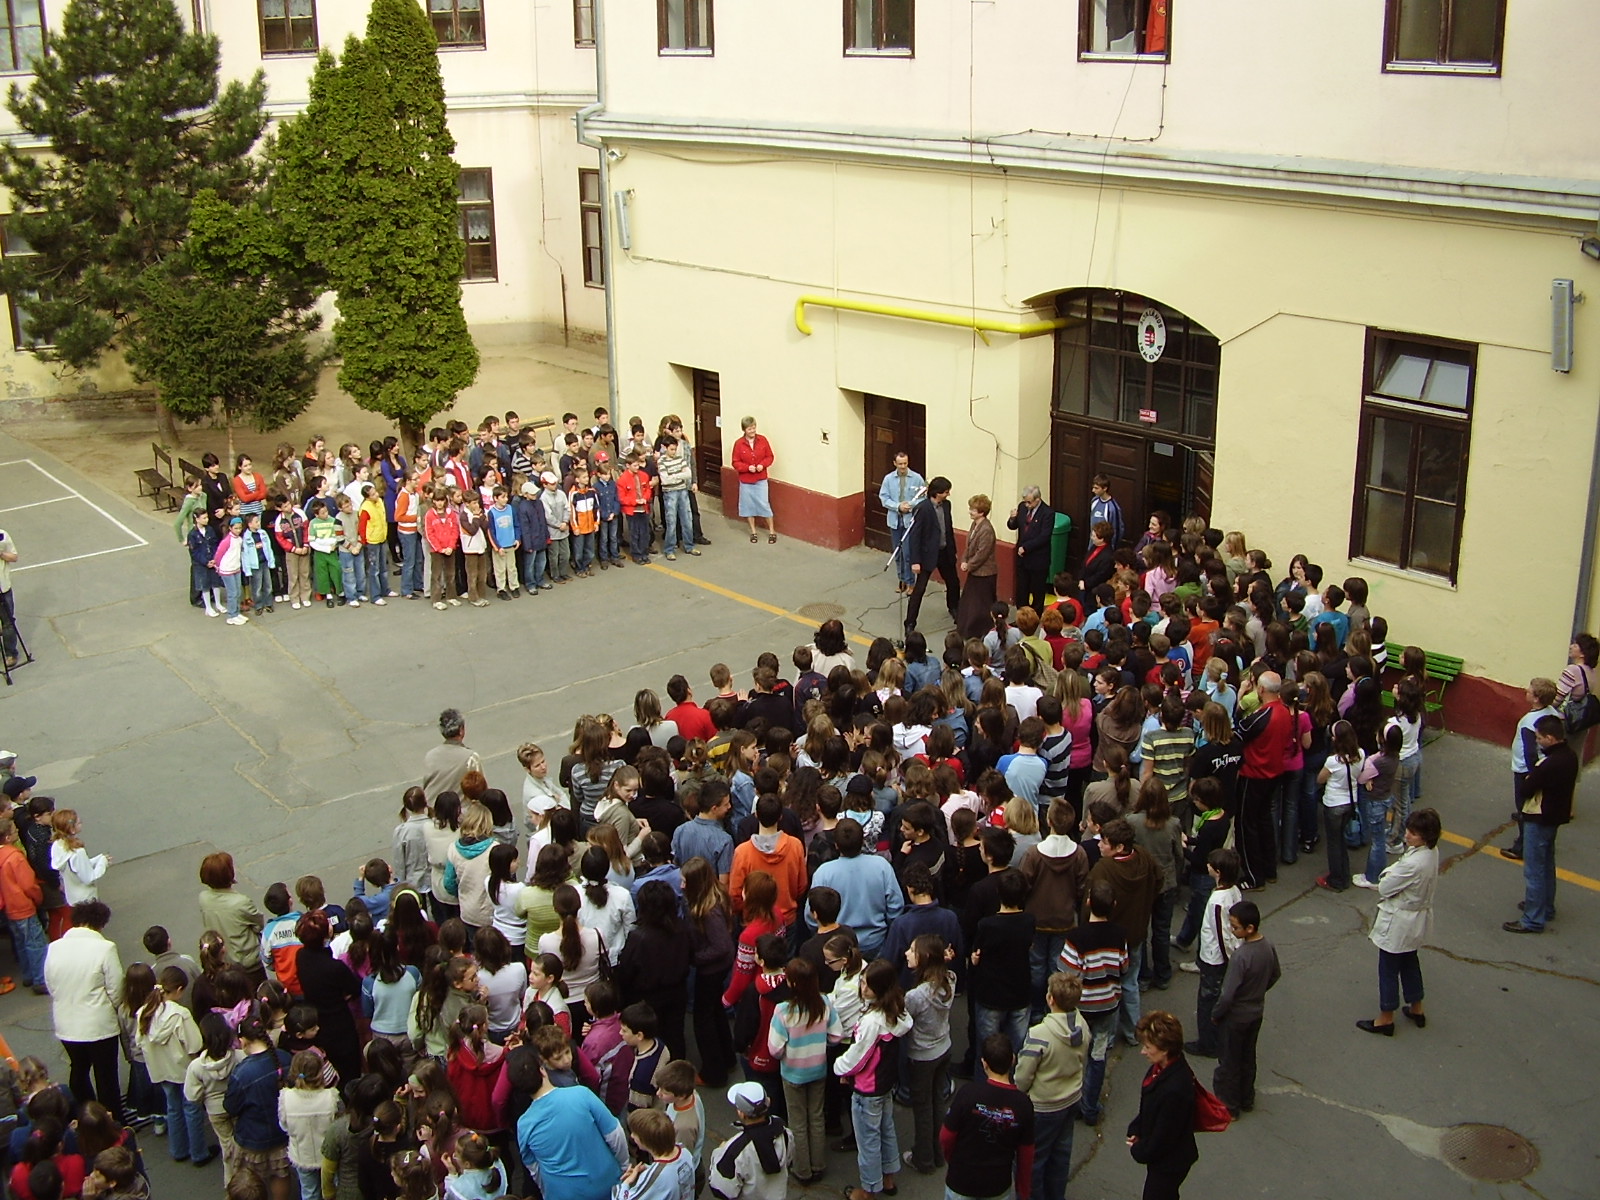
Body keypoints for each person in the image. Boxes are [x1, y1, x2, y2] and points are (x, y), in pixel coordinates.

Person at [1357, 808, 1441, 1034]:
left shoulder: (1412, 864)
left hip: (1400, 920)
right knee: (1410, 961)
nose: (1407, 835)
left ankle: (1386, 1018)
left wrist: (1386, 876)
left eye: (1413, 833)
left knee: (1388, 968)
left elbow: (1385, 887)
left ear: (1425, 836)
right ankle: (1416, 1006)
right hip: (1417, 918)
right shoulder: (1431, 853)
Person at [516, 1045, 630, 1200]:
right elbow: (615, 1134)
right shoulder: (581, 1094)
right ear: (542, 1070)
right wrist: (623, 1167)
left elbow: (535, 1170)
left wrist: (548, 1193)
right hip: (607, 1185)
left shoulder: (523, 1125)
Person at [1504, 715, 1576, 935]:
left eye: (1539, 738)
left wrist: (1529, 779)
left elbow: (1526, 789)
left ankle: (1532, 919)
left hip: (1539, 817)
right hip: (1554, 817)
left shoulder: (1548, 764)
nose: (1537, 741)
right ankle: (1546, 906)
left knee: (1534, 869)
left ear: (1550, 738)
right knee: (1546, 864)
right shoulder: (1570, 756)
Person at [1014, 974, 1085, 1200]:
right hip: (1071, 1097)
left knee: (1034, 1161)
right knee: (1060, 1155)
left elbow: (1023, 1076)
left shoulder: (1039, 1034)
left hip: (1044, 1106)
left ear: (1050, 999)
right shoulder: (1081, 1025)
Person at [940, 1033, 1035, 1200]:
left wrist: (953, 1161)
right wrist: (1024, 1191)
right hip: (997, 1185)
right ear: (1013, 1060)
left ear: (984, 1063)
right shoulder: (1023, 1104)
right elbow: (1026, 1155)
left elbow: (946, 1137)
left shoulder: (967, 1094)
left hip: (961, 1181)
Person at [1209, 900, 1280, 1119]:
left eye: (1235, 927)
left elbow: (1227, 995)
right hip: (1256, 1012)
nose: (1232, 930)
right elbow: (1275, 974)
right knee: (1248, 1057)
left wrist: (1216, 1014)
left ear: (1249, 928)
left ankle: (1229, 1106)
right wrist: (1258, 991)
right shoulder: (1268, 947)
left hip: (1236, 1017)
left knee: (1229, 1061)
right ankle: (1246, 1098)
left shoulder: (1241, 957)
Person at [1124, 1011, 1198, 1200]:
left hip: (1170, 1162)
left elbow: (1163, 1137)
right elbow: (1151, 1110)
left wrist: (1138, 1149)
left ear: (1164, 1050)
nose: (1143, 1051)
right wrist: (1137, 1128)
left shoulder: (1175, 1089)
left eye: (1148, 1047)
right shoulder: (1163, 1068)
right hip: (1168, 1157)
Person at [1503, 678, 1560, 860]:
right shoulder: (1552, 713)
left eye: (1529, 690)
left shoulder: (1529, 722)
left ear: (1536, 698)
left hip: (1525, 770)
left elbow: (1530, 753)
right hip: (1543, 765)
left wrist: (1531, 776)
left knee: (1524, 807)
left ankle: (1521, 846)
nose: (1526, 691)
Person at [709, 1081, 794, 1200]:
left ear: (741, 1113)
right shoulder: (783, 1131)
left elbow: (721, 1190)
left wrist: (719, 1152)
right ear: (768, 1102)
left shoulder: (736, 1150)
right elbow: (789, 1159)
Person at [904, 476, 959, 637]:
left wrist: (953, 550)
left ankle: (954, 607)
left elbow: (948, 528)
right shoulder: (923, 508)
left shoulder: (947, 505)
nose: (948, 494)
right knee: (919, 590)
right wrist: (915, 561)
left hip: (944, 552)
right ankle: (910, 622)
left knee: (953, 582)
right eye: (946, 492)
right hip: (927, 555)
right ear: (937, 493)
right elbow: (915, 536)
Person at [0, 815, 48, 995]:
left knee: (21, 942)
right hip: (23, 906)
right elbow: (28, 885)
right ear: (7, 837)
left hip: (8, 907)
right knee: (36, 943)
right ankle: (40, 980)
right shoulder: (15, 857)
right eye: (14, 830)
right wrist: (38, 898)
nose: (17, 831)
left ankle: (28, 975)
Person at [879, 452, 926, 595]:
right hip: (894, 521)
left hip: (909, 522)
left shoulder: (917, 478)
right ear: (895, 463)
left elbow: (923, 498)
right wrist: (898, 506)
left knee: (908, 554)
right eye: (900, 464)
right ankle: (902, 580)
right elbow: (884, 498)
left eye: (905, 463)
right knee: (898, 553)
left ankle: (911, 583)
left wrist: (910, 505)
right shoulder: (888, 479)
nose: (903, 466)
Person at [1006, 486, 1055, 615]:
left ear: (1038, 499)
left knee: (1037, 590)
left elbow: (1044, 536)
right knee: (1022, 590)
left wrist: (1026, 547)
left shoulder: (1047, 513)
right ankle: (1022, 616)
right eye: (1025, 501)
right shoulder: (1022, 507)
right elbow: (1013, 526)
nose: (1027, 505)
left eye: (1029, 502)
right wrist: (1012, 518)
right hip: (1022, 559)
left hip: (1038, 559)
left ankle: (1035, 616)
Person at [730, 417, 777, 544]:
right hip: (746, 480)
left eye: (754, 428)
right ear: (744, 430)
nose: (752, 431)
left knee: (764, 504)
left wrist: (763, 465)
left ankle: (772, 531)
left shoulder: (763, 440)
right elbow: (735, 462)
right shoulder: (739, 444)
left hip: (760, 479)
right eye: (749, 429)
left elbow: (770, 456)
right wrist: (747, 468)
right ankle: (753, 532)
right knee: (748, 506)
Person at [424, 710, 481, 805]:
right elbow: (480, 788)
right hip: (459, 810)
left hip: (432, 809)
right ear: (461, 730)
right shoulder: (470, 757)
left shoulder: (430, 756)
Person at [1087, 474, 1124, 551]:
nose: (1093, 490)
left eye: (1096, 488)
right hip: (1093, 543)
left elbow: (1117, 530)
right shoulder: (1094, 500)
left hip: (1104, 547)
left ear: (1105, 488)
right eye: (1093, 487)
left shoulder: (1112, 508)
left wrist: (1112, 549)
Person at [0, 527, 18, 669]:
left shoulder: (2, 535)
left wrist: (1, 554)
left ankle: (10, 654)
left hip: (3, 588)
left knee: (8, 623)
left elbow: (14, 557)